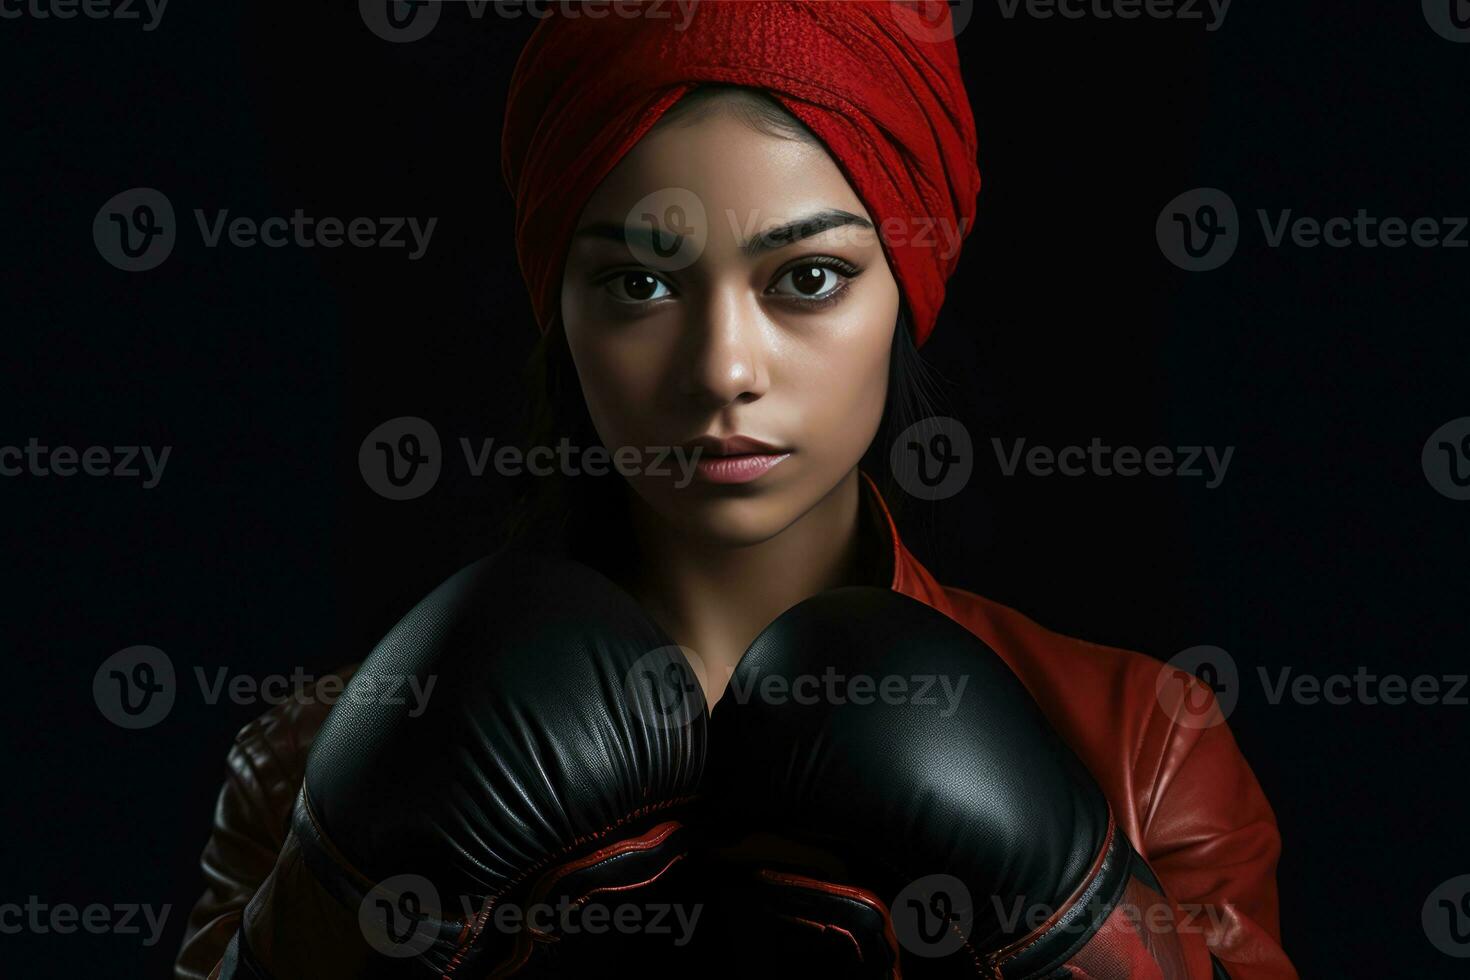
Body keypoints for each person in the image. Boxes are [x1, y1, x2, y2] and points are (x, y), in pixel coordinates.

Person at [176, 4, 1295, 977]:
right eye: (638, 281)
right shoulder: (322, 759)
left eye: (807, 278)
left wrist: (1078, 924)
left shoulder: (1143, 749)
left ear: (908, 290)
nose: (721, 366)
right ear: (559, 311)